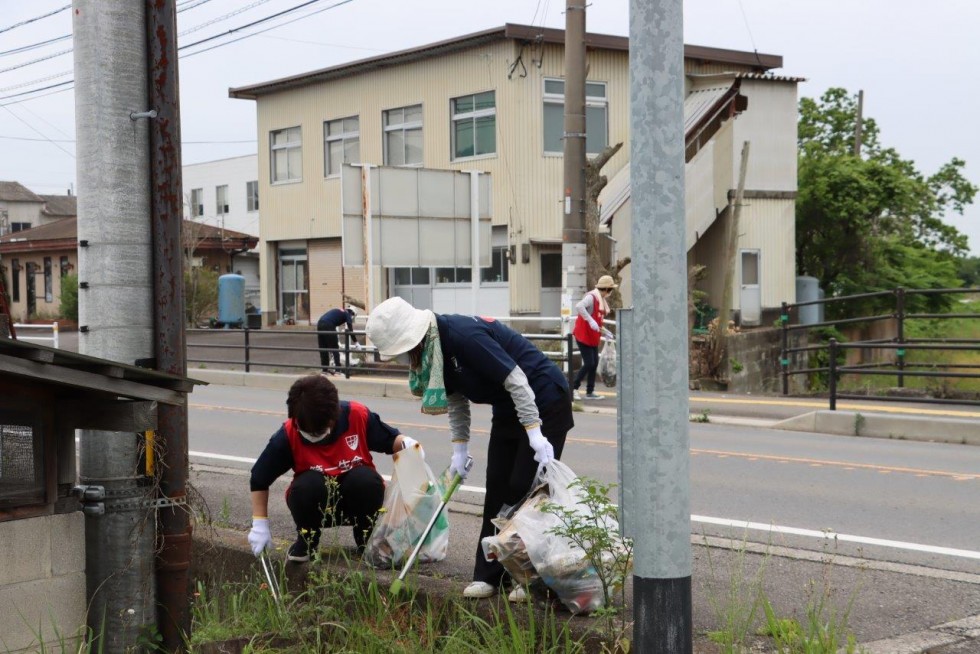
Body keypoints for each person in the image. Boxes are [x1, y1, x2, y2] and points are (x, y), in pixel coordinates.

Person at [366, 297, 574, 602]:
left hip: (543, 398)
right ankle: (489, 576)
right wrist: (459, 449)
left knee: (526, 489)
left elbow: (516, 380)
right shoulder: (434, 353)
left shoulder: (463, 336)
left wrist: (534, 432)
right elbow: (457, 402)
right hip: (507, 408)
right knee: (497, 487)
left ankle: (529, 577)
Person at [247, 374, 419, 562]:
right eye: (308, 432)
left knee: (366, 480)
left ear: (333, 417)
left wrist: (409, 444)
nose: (313, 436)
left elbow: (390, 440)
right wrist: (259, 523)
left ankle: (365, 537)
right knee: (306, 485)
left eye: (318, 432)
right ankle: (308, 541)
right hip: (317, 507)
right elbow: (259, 478)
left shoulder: (356, 415)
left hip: (357, 501)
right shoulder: (289, 434)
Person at [571, 275, 617, 400]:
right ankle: (573, 387)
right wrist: (591, 321)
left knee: (594, 363)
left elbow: (597, 322)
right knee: (589, 363)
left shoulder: (601, 300)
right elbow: (579, 306)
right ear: (607, 289)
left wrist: (605, 331)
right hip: (583, 334)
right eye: (611, 289)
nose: (611, 292)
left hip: (592, 336)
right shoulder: (592, 297)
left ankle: (590, 391)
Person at [316, 306, 359, 373]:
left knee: (323, 348)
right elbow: (350, 329)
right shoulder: (347, 313)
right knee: (335, 349)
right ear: (353, 313)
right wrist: (356, 342)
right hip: (329, 325)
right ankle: (338, 370)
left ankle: (325, 370)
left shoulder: (340, 311)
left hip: (320, 323)